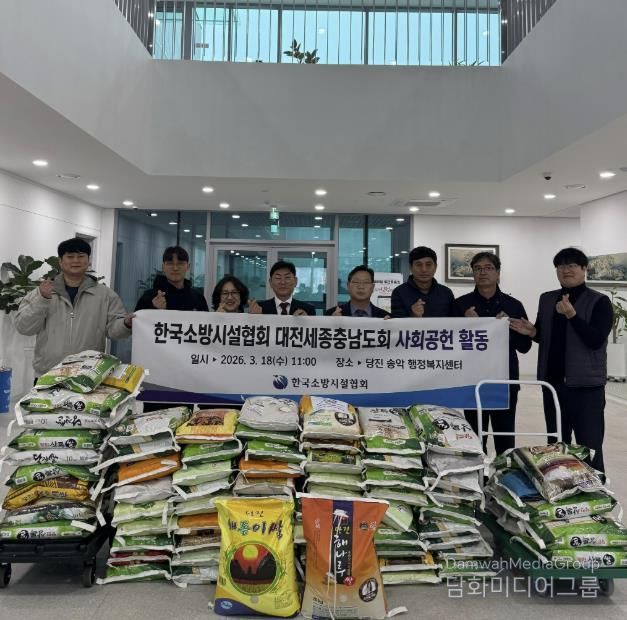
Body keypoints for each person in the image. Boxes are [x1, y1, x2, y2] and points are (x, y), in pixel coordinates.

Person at [510, 247, 613, 472]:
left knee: (590, 446)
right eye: (561, 266)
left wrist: (572, 315)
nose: (566, 270)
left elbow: (596, 340)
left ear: (584, 269)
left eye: (572, 265)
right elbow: (545, 336)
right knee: (557, 445)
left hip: (586, 386)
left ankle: (595, 488)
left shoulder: (599, 301)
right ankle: (560, 486)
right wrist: (532, 332)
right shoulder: (547, 299)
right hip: (553, 384)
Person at [14, 237, 133, 377]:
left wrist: (126, 324)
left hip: (88, 374)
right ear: (60, 261)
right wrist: (42, 300)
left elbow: (114, 331)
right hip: (48, 373)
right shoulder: (42, 292)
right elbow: (24, 327)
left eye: (81, 256)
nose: (76, 261)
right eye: (70, 257)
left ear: (88, 261)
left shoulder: (105, 295)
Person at [454, 252, 532, 454]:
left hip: (505, 382)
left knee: (505, 441)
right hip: (471, 382)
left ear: (498, 273)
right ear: (472, 273)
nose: (483, 272)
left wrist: (507, 330)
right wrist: (465, 324)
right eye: (478, 268)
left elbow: (525, 347)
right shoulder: (460, 305)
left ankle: (504, 473)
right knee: (473, 440)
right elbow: (450, 345)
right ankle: (477, 474)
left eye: (488, 268)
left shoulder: (513, 305)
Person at [135, 246, 209, 312]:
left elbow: (206, 322)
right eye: (170, 263)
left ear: (188, 266)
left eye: (180, 263)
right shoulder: (150, 297)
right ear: (163, 267)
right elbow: (137, 321)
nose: (175, 268)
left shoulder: (198, 298)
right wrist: (154, 309)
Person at [391, 246, 456, 317]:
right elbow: (396, 322)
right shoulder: (399, 292)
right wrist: (413, 315)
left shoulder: (446, 293)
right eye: (419, 265)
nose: (424, 269)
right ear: (410, 267)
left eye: (428, 265)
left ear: (435, 267)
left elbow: (455, 320)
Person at [248, 260, 316, 316]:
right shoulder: (259, 309)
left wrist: (307, 321)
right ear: (270, 282)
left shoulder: (308, 310)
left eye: (287, 277)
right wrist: (254, 319)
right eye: (278, 278)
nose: (283, 282)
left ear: (295, 281)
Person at [325, 265, 390, 318]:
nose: (361, 286)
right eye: (356, 282)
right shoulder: (331, 314)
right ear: (348, 286)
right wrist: (330, 323)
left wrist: (390, 325)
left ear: (372, 287)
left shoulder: (384, 316)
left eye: (366, 282)